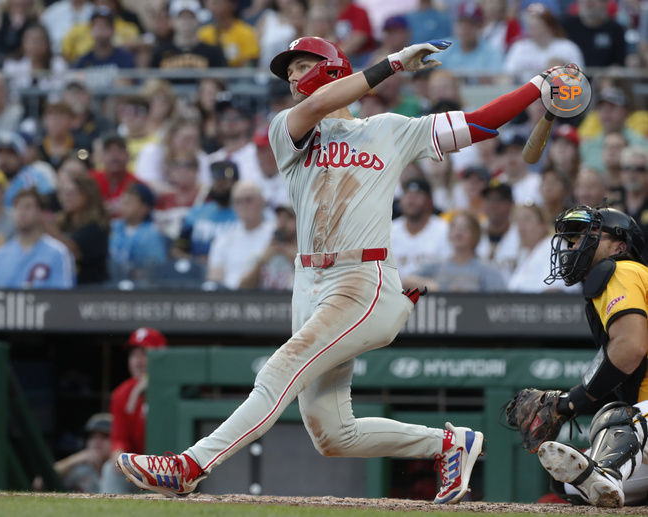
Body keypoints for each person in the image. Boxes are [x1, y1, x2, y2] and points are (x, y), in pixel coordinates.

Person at [118, 35, 553, 501]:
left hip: (360, 279)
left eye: (302, 67)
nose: (293, 80)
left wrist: (537, 86)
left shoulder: (388, 129)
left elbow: (480, 125)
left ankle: (191, 464)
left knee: (279, 370)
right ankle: (448, 443)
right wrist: (390, 65)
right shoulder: (287, 130)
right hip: (307, 282)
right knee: (332, 434)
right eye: (289, 75)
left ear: (330, 68)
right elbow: (323, 102)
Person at [530, 205, 648, 507]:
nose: (573, 245)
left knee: (617, 418)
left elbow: (631, 346)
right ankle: (607, 472)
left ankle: (608, 469)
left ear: (619, 246)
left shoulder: (622, 269)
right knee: (573, 483)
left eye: (586, 235)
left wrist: (573, 400)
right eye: (572, 239)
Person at [103, 327, 167, 494]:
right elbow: (119, 440)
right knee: (110, 469)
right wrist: (118, 456)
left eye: (144, 354)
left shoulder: (175, 389)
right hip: (139, 471)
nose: (137, 361)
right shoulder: (121, 394)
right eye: (133, 355)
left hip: (171, 469)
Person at [0, 188, 75, 288]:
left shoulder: (58, 253)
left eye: (28, 207)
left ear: (41, 213)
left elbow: (63, 297)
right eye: (17, 207)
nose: (21, 212)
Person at [407, 210, 508, 292]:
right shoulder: (437, 266)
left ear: (475, 234)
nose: (459, 232)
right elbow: (406, 281)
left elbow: (500, 299)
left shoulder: (486, 270)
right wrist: (429, 285)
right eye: (454, 227)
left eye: (465, 228)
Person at [206, 181, 274, 289]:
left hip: (266, 296)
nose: (244, 205)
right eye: (238, 201)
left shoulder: (275, 234)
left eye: (249, 200)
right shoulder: (224, 238)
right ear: (233, 207)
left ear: (262, 201)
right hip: (231, 298)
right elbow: (215, 278)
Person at [49, 170, 110, 285]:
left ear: (87, 195)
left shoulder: (97, 226)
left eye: (71, 193)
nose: (65, 198)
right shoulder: (61, 222)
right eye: (63, 193)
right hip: (63, 286)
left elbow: (73, 253)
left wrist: (48, 229)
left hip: (91, 289)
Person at [172, 160, 239, 263]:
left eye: (224, 182)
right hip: (197, 273)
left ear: (236, 183)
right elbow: (178, 249)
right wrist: (195, 261)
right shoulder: (195, 213)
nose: (219, 185)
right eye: (216, 181)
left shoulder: (245, 214)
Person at [503, 3, 583, 82]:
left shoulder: (567, 47)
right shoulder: (519, 47)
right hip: (526, 91)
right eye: (530, 26)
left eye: (536, 26)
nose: (532, 31)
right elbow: (508, 75)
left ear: (549, 26)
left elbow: (580, 79)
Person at [390, 178, 450, 279]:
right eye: (407, 194)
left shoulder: (444, 229)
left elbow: (449, 268)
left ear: (429, 201)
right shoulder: (389, 230)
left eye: (417, 195)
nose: (411, 199)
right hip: (395, 292)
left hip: (434, 292)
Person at [109, 182, 167, 284]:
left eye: (129, 203)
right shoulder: (113, 227)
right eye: (122, 202)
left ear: (144, 208)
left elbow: (155, 269)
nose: (123, 206)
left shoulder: (152, 233)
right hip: (111, 282)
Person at [507, 203, 573, 292]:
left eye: (527, 219)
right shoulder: (523, 254)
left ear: (542, 224)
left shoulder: (554, 245)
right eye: (517, 221)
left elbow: (556, 289)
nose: (521, 225)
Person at [150, 0, 227, 71]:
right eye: (181, 17)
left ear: (198, 20)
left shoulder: (213, 53)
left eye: (190, 17)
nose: (186, 21)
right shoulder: (159, 53)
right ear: (172, 21)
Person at [238, 202, 297, 290]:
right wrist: (262, 261)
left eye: (289, 218)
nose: (282, 223)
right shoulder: (262, 254)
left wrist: (286, 251)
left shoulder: (309, 258)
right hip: (265, 302)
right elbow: (242, 287)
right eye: (279, 218)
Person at [52, 413, 112, 493]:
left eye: (105, 436)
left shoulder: (123, 471)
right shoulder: (82, 469)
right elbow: (40, 482)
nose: (97, 441)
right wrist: (74, 460)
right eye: (92, 437)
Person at [561, 0, 626, 68]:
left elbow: (619, 63)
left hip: (604, 76)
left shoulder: (616, 30)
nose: (588, 4)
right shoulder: (566, 26)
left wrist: (609, 76)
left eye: (593, 2)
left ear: (606, 4)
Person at [90, 133, 142, 217]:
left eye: (120, 151)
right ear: (102, 156)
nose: (114, 156)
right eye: (109, 151)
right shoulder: (91, 179)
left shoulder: (137, 185)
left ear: (128, 156)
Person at [197, 0, 259, 67]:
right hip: (210, 75)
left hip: (237, 75)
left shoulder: (246, 32)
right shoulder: (203, 33)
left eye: (217, 2)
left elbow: (249, 63)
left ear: (232, 5)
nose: (212, 7)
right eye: (211, 3)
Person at [74, 6, 135, 71]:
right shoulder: (84, 60)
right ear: (90, 30)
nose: (100, 29)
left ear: (113, 30)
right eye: (97, 25)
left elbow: (128, 80)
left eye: (105, 25)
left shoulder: (124, 57)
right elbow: (74, 77)